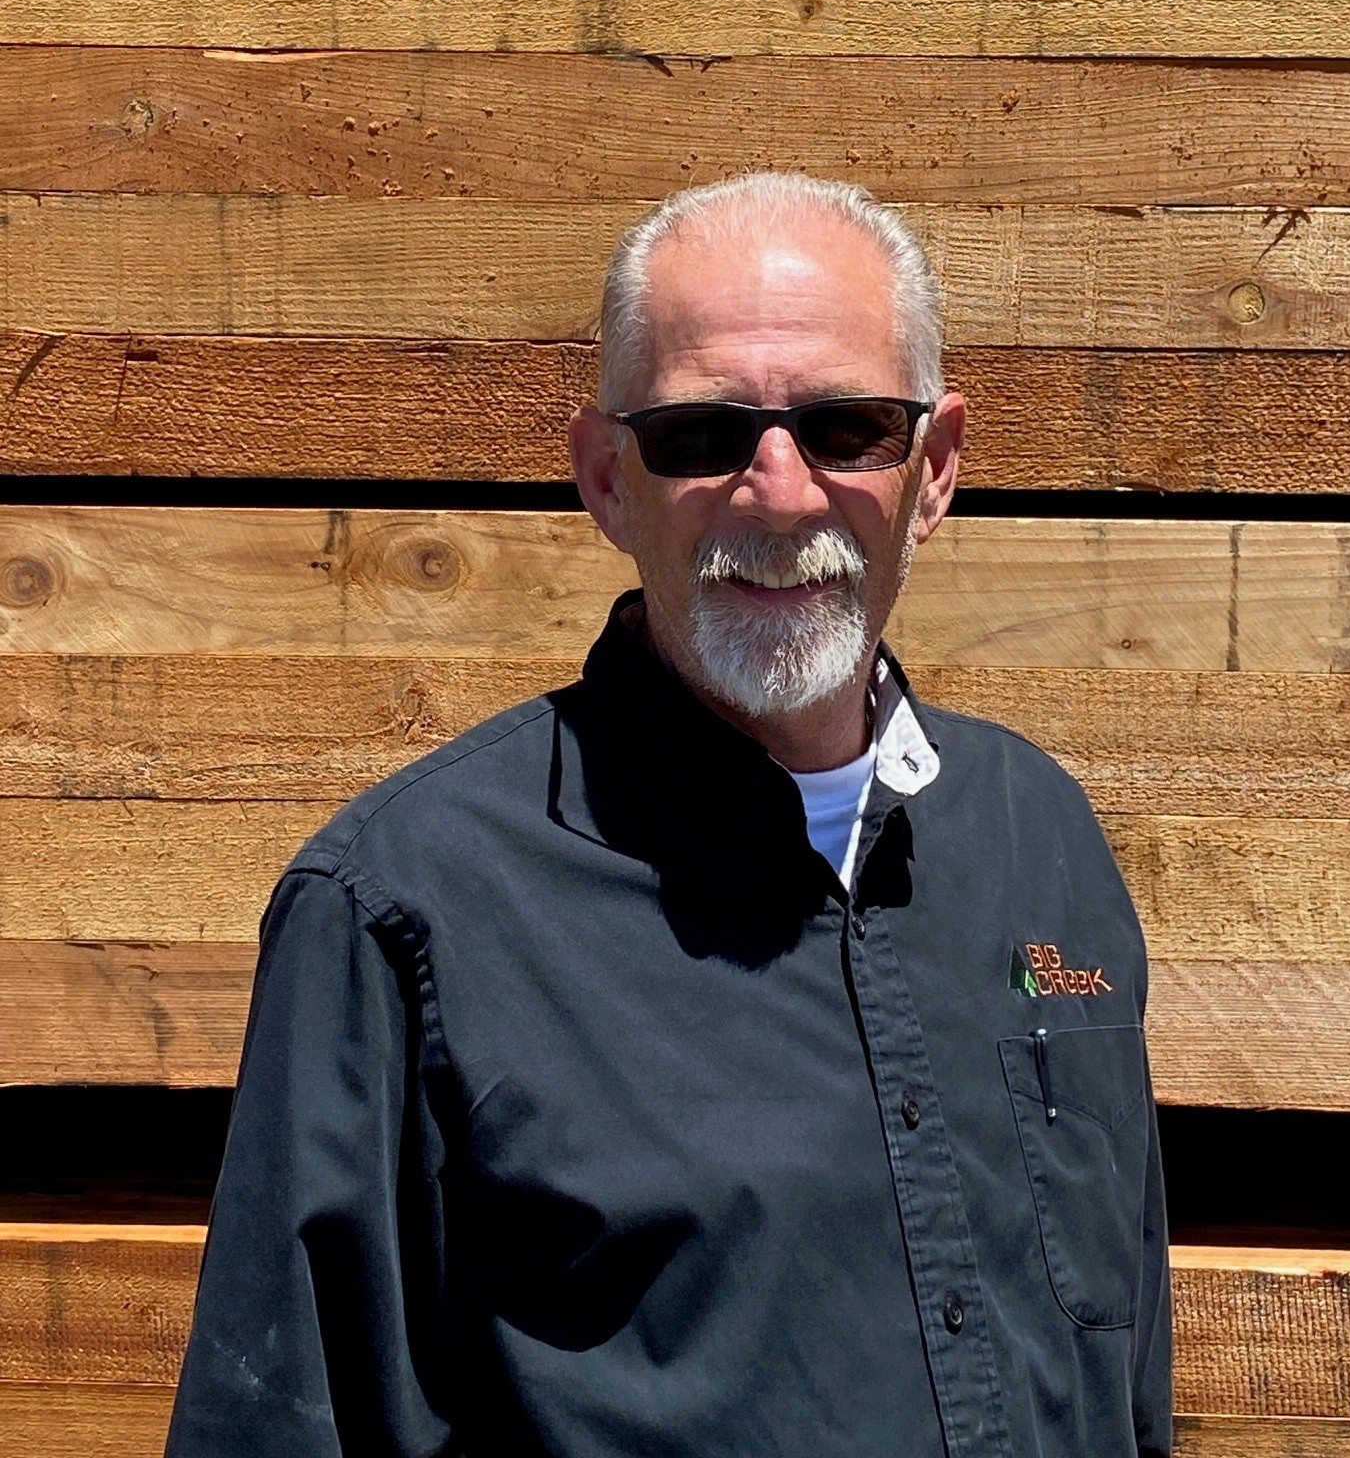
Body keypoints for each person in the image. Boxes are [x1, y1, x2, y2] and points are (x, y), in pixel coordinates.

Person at [165, 171, 1171, 1458]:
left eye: (848, 427)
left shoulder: (1043, 842)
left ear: (934, 470)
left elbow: (1123, 1381)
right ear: (604, 477)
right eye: (702, 434)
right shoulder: (402, 917)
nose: (780, 492)